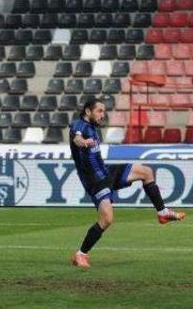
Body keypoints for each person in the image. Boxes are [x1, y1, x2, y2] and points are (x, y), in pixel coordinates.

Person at [69, 98, 186, 269]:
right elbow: (77, 138)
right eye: (99, 111)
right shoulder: (79, 125)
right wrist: (83, 142)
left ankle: (162, 212)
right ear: (88, 112)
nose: (103, 114)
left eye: (104, 111)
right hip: (95, 181)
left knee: (146, 172)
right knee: (107, 219)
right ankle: (80, 255)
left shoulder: (93, 128)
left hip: (106, 171)